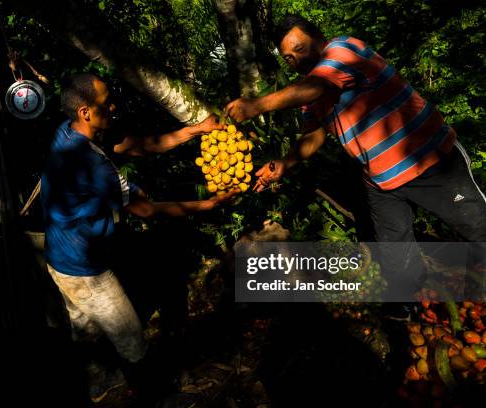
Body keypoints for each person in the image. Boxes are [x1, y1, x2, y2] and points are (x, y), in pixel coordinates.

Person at [224, 15, 486, 305]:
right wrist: (283, 164)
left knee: (477, 225)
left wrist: (257, 105)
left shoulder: (344, 50)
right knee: (395, 251)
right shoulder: (311, 93)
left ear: (319, 38)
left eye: (300, 48)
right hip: (381, 179)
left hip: (428, 157)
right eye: (288, 57)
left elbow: (320, 85)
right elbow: (313, 136)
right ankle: (407, 305)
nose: (296, 59)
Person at [41, 73, 236, 403]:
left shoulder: (68, 131)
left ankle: (99, 383)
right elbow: (148, 211)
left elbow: (137, 146)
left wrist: (194, 130)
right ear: (86, 111)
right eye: (106, 102)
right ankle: (155, 395)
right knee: (131, 336)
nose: (113, 106)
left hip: (59, 254)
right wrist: (209, 203)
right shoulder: (93, 164)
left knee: (84, 326)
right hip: (85, 267)